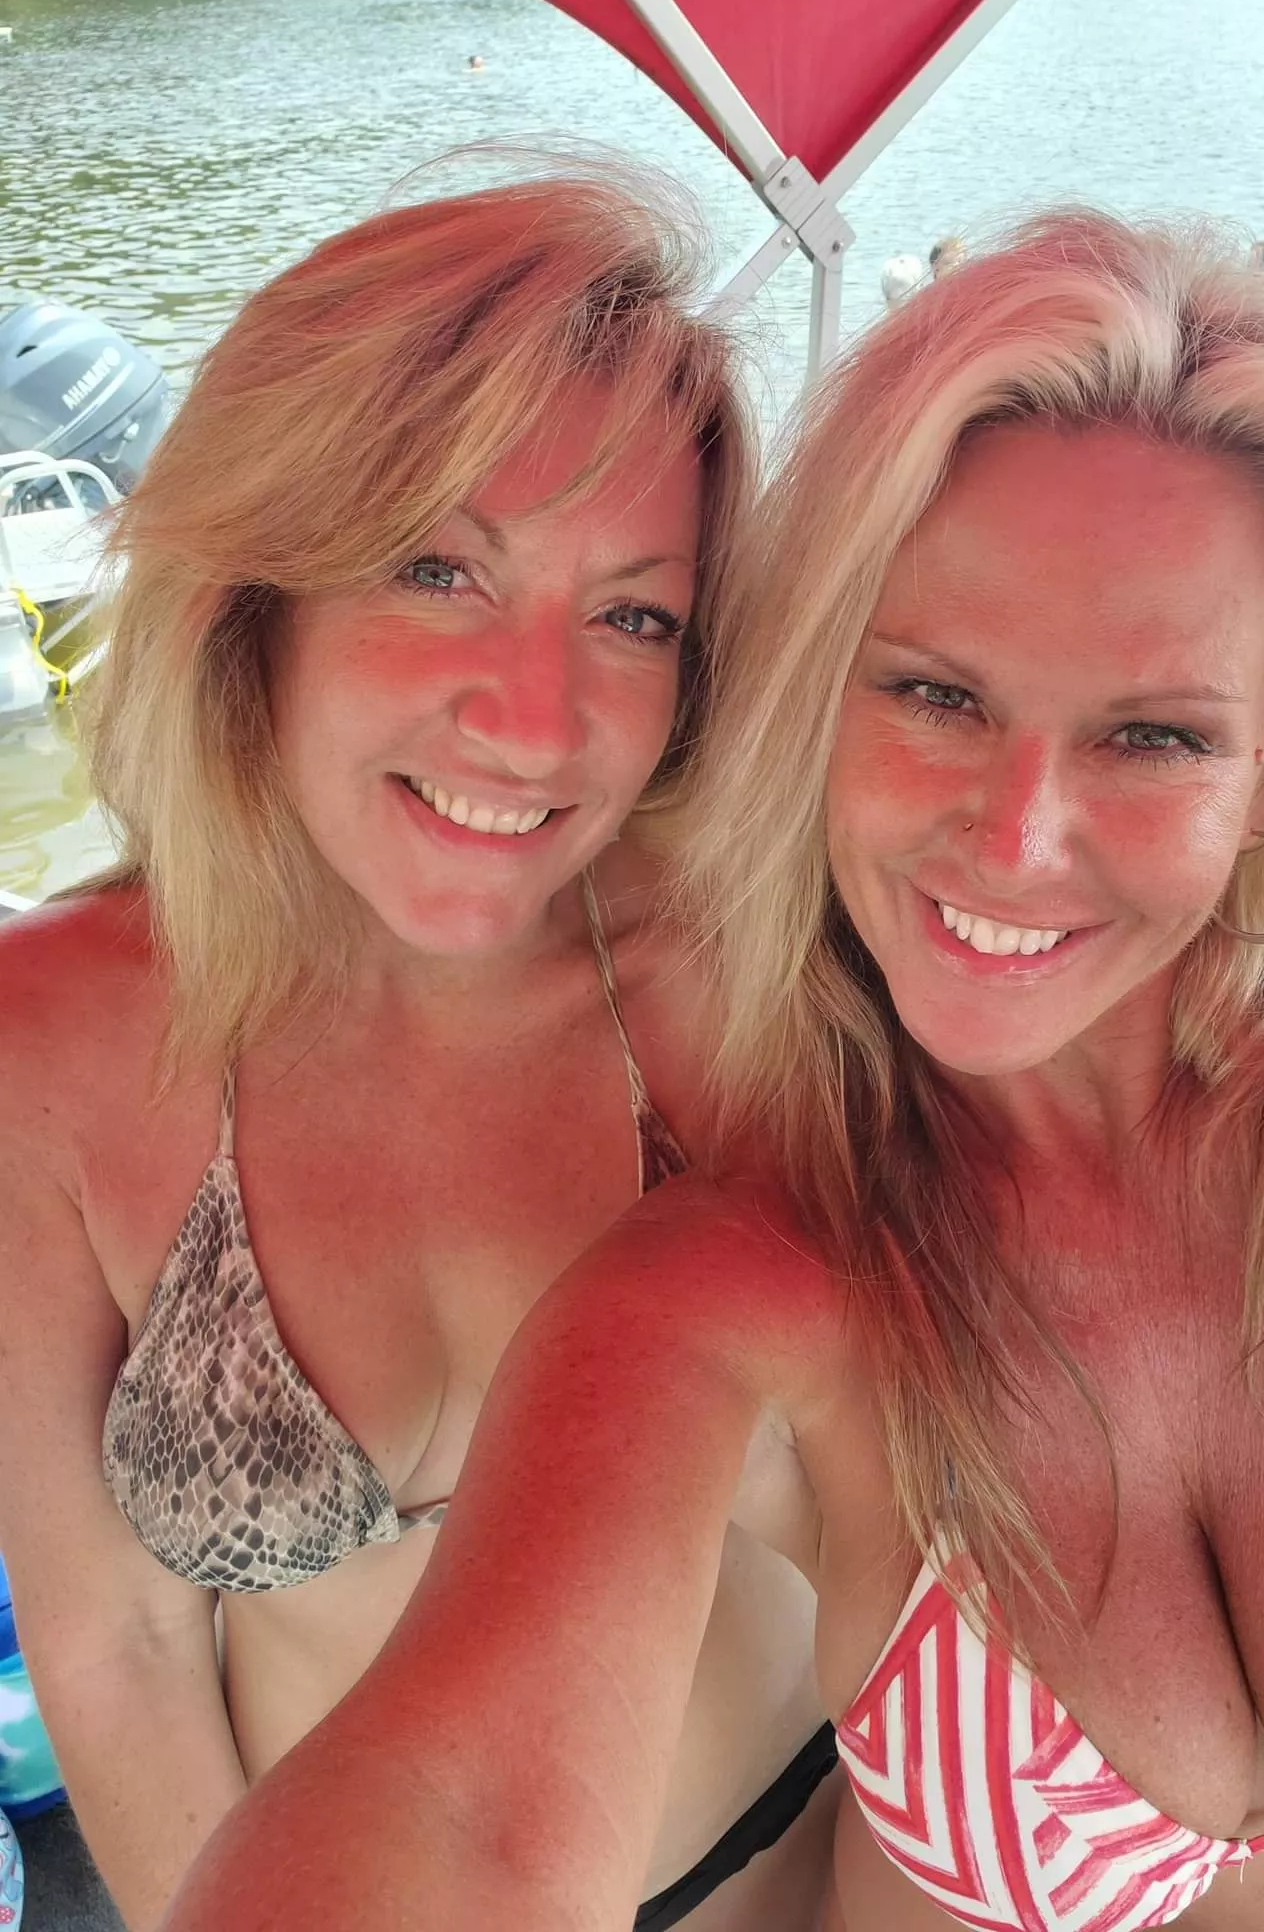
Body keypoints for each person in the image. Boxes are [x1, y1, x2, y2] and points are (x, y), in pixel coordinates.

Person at [159, 211, 1264, 1932]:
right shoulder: (741, 1274)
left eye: (1155, 734)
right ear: (810, 692)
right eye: (937, 696)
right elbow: (461, 1811)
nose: (1019, 839)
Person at [0, 163, 836, 1932]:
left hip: (801, 1859)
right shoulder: (47, 1038)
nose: (534, 724)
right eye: (436, 568)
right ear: (253, 593)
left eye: (634, 616)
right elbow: (121, 1641)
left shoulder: (756, 973)